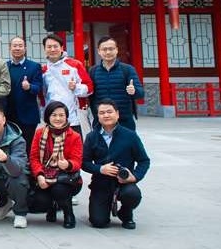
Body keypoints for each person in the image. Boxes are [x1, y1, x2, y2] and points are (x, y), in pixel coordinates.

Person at [82, 99, 150, 230]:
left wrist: (135, 177)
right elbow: (84, 163)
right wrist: (100, 169)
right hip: (101, 183)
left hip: (124, 182)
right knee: (98, 222)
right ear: (97, 116)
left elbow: (144, 160)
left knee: (132, 194)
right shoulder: (92, 137)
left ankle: (126, 213)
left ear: (117, 114)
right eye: (102, 113)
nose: (106, 115)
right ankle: (105, 207)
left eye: (109, 112)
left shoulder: (130, 135)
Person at [28, 101, 83, 229]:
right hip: (44, 176)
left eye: (61, 115)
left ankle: (68, 213)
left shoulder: (74, 136)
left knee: (59, 190)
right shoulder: (39, 133)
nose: (58, 118)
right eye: (54, 115)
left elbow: (77, 161)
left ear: (66, 117)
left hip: (66, 179)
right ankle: (52, 206)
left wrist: (68, 164)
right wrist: (39, 175)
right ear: (48, 117)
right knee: (38, 201)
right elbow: (34, 158)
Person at [41, 34, 93, 135]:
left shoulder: (74, 65)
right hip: (52, 119)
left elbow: (90, 88)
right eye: (49, 47)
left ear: (61, 48)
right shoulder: (43, 70)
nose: (52, 49)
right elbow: (42, 96)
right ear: (45, 49)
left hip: (73, 118)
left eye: (55, 46)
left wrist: (76, 88)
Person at [89, 36, 144, 131]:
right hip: (101, 121)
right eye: (104, 49)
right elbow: (89, 94)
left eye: (111, 49)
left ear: (117, 50)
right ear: (99, 51)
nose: (108, 52)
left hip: (124, 121)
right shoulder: (93, 71)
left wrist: (134, 91)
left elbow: (141, 93)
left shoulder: (127, 69)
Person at [5, 37, 43, 153]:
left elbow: (38, 88)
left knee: (27, 146)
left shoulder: (34, 66)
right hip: (8, 114)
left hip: (28, 115)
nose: (17, 48)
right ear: (10, 48)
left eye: (20, 46)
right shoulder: (5, 66)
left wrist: (29, 87)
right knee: (10, 146)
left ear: (25, 48)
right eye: (14, 46)